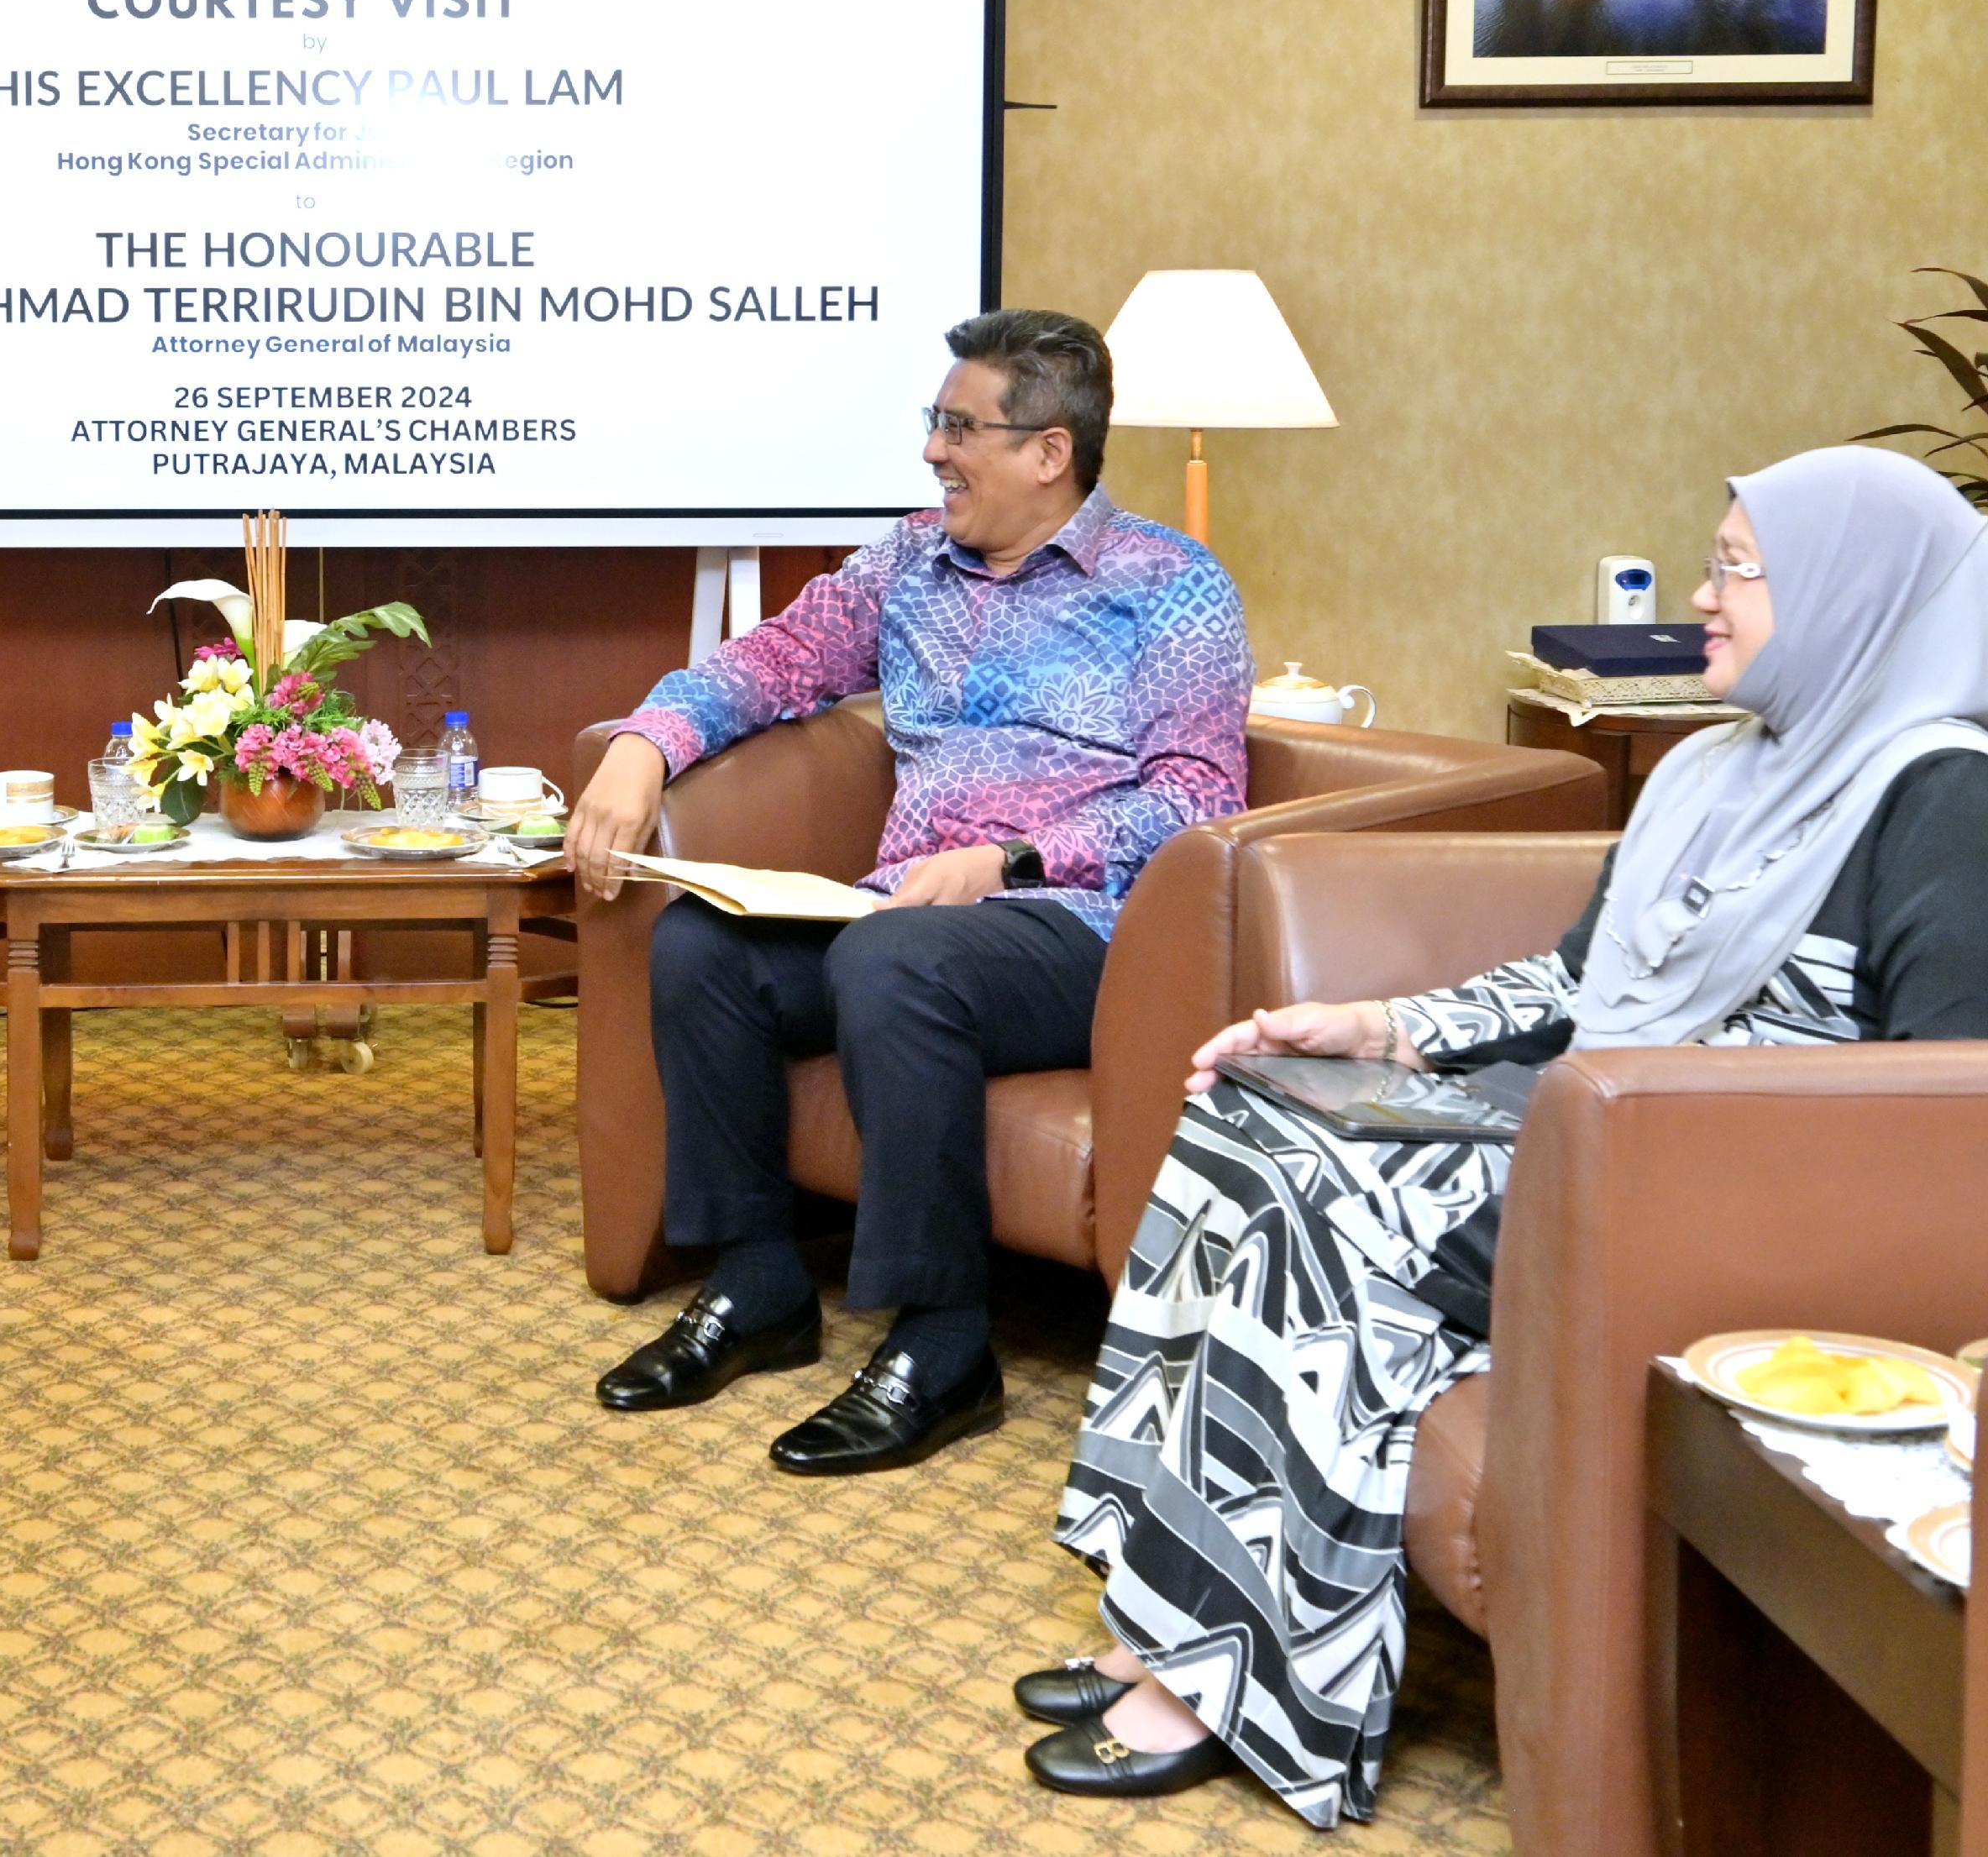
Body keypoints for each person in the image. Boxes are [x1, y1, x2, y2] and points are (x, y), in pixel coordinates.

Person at [1026, 444, 1988, 1819]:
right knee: (1251, 1127)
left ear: (1855, 600)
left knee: (1332, 1216)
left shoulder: (1945, 803)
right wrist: (1377, 1026)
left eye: (1738, 572)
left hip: (1713, 1202)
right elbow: (1583, 986)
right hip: (1596, 1130)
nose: (1705, 600)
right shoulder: (1718, 770)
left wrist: (1647, 1138)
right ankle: (1170, 1601)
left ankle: (1242, 1679)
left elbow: (1943, 1110)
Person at [571, 308, 1251, 1473]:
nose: (933, 452)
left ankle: (944, 1346)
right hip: (897, 917)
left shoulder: (1171, 588)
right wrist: (644, 744)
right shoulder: (905, 564)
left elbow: (1199, 798)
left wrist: (1013, 860)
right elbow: (771, 662)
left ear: (1050, 451)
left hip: (1079, 927)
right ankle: (758, 1281)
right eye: (932, 424)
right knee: (703, 949)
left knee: (893, 961)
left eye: (959, 428)